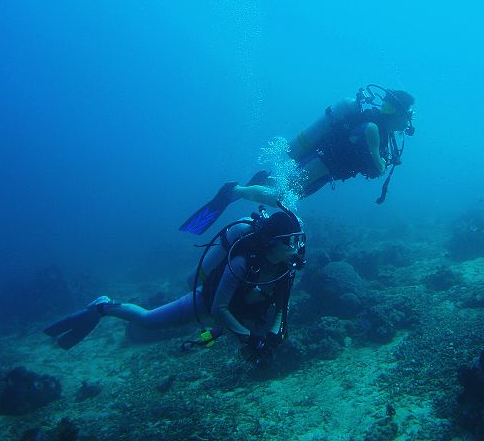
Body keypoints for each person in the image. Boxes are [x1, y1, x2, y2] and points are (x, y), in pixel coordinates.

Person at [44, 203, 306, 364]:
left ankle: (217, 336)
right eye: (292, 241)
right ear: (274, 242)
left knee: (261, 344)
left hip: (243, 313)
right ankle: (104, 306)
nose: (297, 248)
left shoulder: (285, 268)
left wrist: (272, 336)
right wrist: (248, 339)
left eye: (299, 241)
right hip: (205, 304)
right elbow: (219, 308)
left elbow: (281, 308)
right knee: (148, 321)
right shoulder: (242, 263)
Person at [180, 84, 415, 235]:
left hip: (326, 170)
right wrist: (385, 162)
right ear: (397, 112)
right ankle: (234, 190)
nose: (410, 120)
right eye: (409, 113)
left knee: (285, 195)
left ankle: (263, 181)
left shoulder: (381, 129)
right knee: (281, 198)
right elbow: (377, 168)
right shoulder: (373, 129)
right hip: (321, 164)